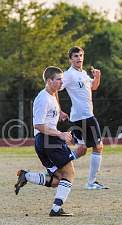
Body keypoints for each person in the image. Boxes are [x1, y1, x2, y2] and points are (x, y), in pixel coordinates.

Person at [14, 66, 76, 216]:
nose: (62, 82)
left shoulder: (52, 94)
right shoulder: (42, 99)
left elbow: (54, 99)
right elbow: (39, 125)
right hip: (49, 139)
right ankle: (56, 209)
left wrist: (59, 112)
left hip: (42, 142)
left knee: (57, 180)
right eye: (59, 79)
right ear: (49, 81)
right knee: (69, 174)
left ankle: (26, 176)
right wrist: (60, 134)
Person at [61, 46, 107, 189]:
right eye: (75, 56)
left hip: (79, 117)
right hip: (85, 116)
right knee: (98, 147)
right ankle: (91, 182)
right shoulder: (68, 75)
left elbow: (93, 87)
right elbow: (54, 88)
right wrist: (59, 110)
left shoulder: (83, 73)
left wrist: (97, 77)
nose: (79, 58)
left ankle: (55, 166)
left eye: (80, 55)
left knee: (81, 149)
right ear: (70, 59)